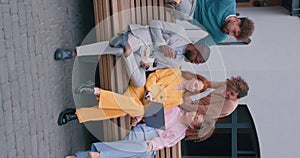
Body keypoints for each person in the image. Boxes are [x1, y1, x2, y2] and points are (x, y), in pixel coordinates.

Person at [54, 20, 210, 87]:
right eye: (197, 60)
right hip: (142, 39)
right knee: (118, 49)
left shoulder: (178, 63)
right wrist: (161, 44)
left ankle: (126, 50)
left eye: (197, 63)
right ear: (196, 49)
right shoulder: (180, 32)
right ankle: (74, 52)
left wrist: (148, 65)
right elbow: (155, 24)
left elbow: (156, 66)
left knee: (140, 82)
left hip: (140, 57)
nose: (195, 63)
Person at [57, 68, 209, 125]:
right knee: (122, 110)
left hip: (142, 104)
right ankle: (78, 115)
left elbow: (158, 108)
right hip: (140, 89)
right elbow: (155, 76)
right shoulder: (176, 72)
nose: (193, 87)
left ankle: (95, 93)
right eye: (196, 83)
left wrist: (139, 117)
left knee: (129, 110)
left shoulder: (179, 99)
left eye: (196, 89)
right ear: (195, 78)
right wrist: (149, 90)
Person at [64, 106, 216, 158]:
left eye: (195, 119)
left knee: (142, 151)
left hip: (149, 144)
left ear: (192, 127)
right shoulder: (175, 109)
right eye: (197, 115)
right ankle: (97, 155)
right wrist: (137, 117)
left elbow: (163, 143)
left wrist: (151, 145)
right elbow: (151, 110)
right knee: (136, 149)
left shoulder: (180, 133)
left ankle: (89, 156)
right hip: (145, 132)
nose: (193, 115)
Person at [165, 0, 255, 44]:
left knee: (183, 9)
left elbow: (199, 45)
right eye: (234, 31)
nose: (230, 34)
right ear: (237, 20)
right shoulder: (229, 3)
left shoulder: (219, 36)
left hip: (189, 12)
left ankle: (173, 4)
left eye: (233, 35)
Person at [180, 76, 249, 119]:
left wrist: (182, 104)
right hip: (193, 104)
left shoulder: (229, 105)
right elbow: (207, 84)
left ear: (237, 98)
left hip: (194, 116)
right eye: (228, 89)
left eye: (232, 94)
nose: (227, 92)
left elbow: (203, 109)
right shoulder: (227, 85)